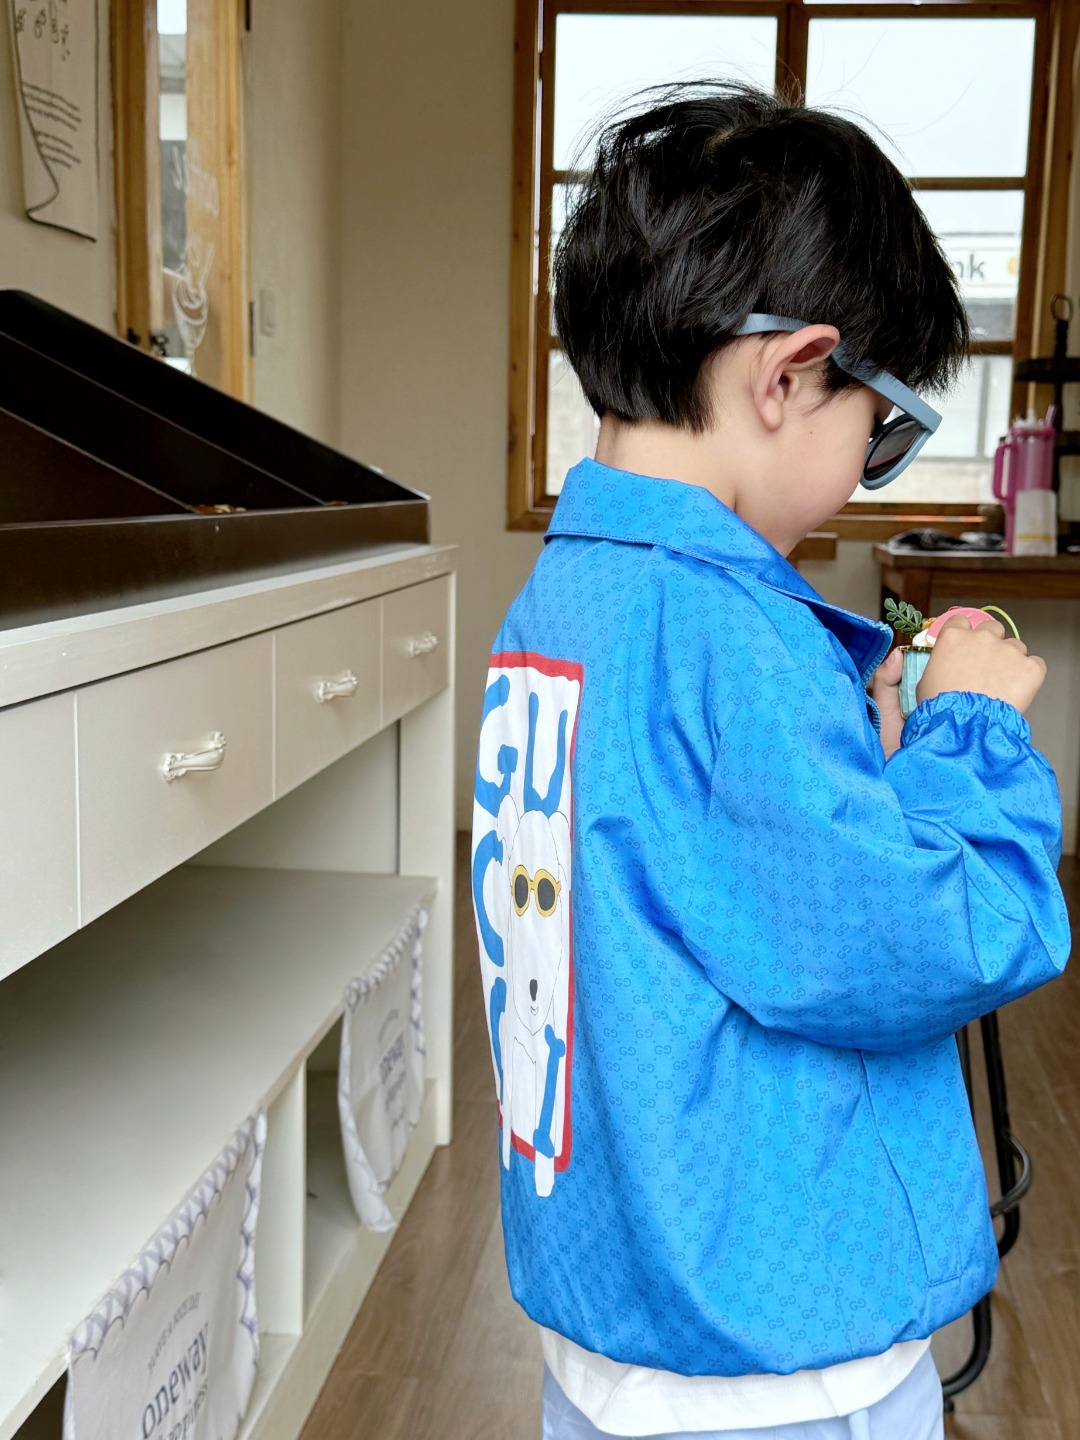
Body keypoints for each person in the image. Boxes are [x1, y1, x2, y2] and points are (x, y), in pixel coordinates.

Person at [469, 83, 1070, 1440]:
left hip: (622, 1325)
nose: (868, 469)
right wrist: (972, 728)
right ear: (791, 375)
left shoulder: (557, 607)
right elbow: (933, 938)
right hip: (776, 1368)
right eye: (884, 429)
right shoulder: (724, 639)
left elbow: (709, 889)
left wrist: (862, 754)